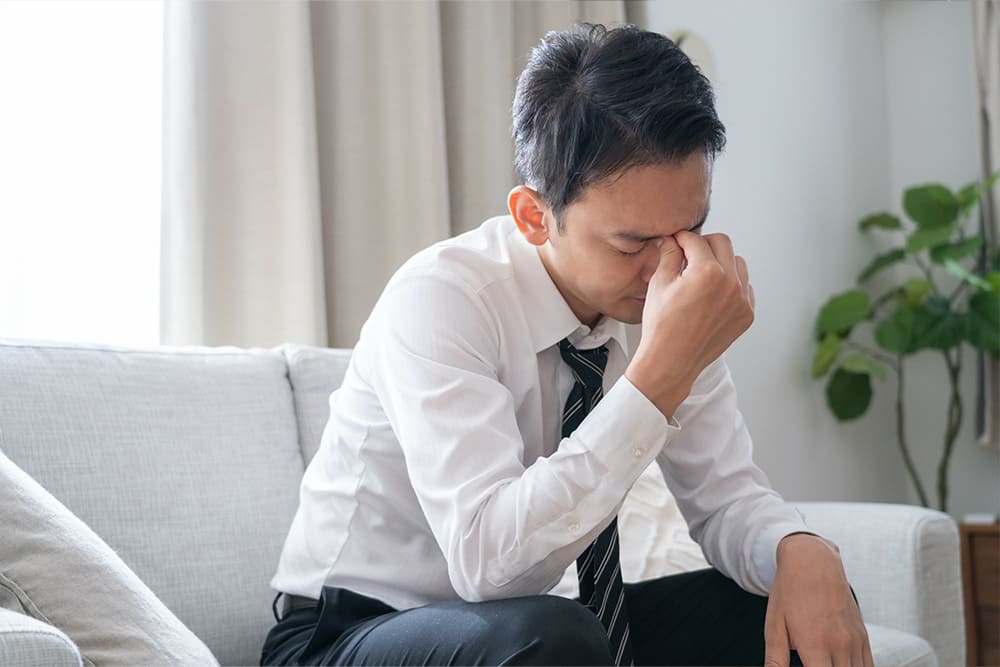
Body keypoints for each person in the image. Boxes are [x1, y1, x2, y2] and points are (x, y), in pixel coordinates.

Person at [261, 23, 873, 667]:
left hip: (524, 630)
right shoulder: (443, 297)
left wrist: (797, 548)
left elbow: (725, 501)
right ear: (533, 216)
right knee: (550, 637)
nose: (670, 267)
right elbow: (486, 565)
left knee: (788, 609)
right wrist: (659, 376)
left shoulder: (668, 295)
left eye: (692, 229)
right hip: (347, 635)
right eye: (633, 243)